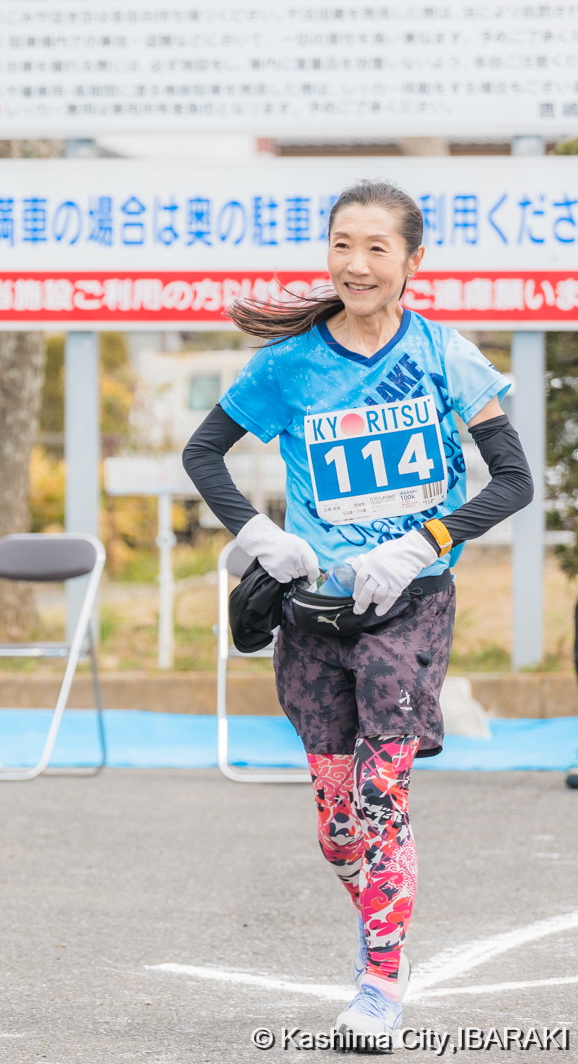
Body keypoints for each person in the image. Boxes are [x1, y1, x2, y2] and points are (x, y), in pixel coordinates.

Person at [182, 180, 532, 1046]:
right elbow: (205, 452)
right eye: (344, 244)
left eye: (378, 247)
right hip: (313, 614)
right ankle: (381, 917)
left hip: (409, 607)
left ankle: (379, 978)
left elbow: (517, 481)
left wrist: (423, 543)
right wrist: (263, 536)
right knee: (339, 827)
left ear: (415, 261)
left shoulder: (449, 357)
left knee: (383, 798)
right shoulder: (290, 365)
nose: (357, 263)